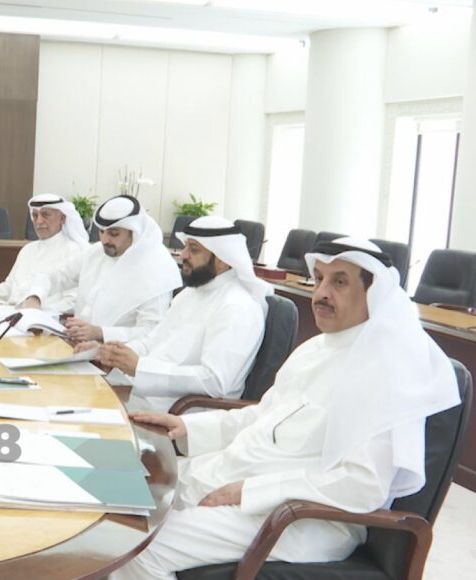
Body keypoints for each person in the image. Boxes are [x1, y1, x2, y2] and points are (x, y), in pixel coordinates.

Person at [113, 238, 461, 580]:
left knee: (139, 545)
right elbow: (263, 416)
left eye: (339, 282)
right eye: (320, 278)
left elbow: (363, 485)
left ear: (374, 293)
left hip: (302, 518)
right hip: (238, 477)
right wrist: (188, 427)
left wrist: (249, 492)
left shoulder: (390, 370)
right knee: (123, 495)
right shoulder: (316, 348)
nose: (321, 292)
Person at [79, 215, 269, 410]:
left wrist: (139, 368)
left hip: (185, 413)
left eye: (193, 249)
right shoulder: (191, 293)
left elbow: (215, 382)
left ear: (222, 259)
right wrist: (111, 354)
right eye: (185, 247)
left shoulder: (238, 307)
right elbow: (153, 341)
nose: (183, 255)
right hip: (147, 396)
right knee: (77, 396)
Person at [26, 195, 181, 343]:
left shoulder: (155, 267)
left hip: (116, 356)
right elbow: (52, 277)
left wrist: (100, 333)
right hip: (77, 344)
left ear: (134, 232)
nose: (105, 240)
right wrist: (35, 298)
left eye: (114, 233)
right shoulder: (96, 252)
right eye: (101, 231)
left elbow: (152, 332)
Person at [0, 193, 89, 311]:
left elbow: (73, 302)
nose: (39, 221)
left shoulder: (75, 252)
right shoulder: (28, 249)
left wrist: (35, 309)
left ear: (62, 218)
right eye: (35, 215)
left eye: (45, 214)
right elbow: (10, 287)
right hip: (11, 313)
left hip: (45, 319)